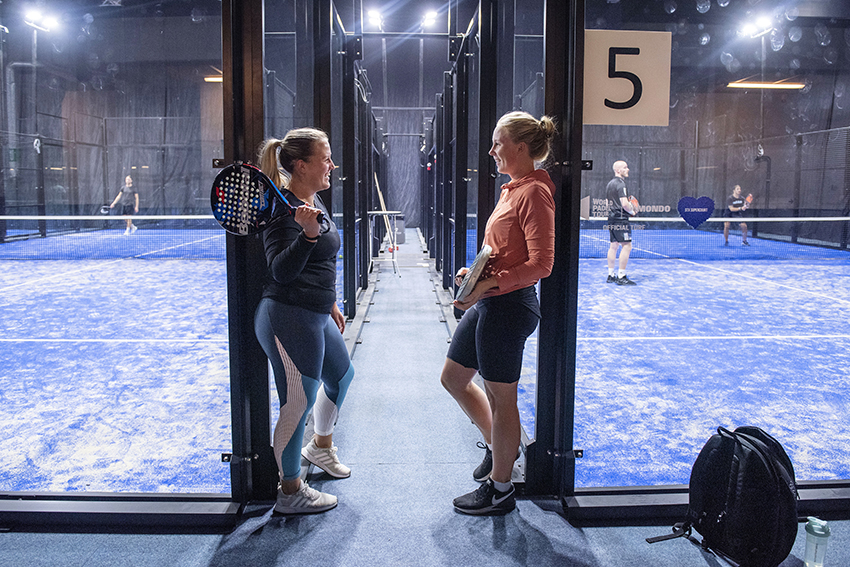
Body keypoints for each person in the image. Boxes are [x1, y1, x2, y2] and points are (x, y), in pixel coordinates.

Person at [440, 111, 556, 515]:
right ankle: (498, 449)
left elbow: (543, 264)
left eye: (497, 143)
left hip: (510, 308)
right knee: (454, 378)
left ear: (520, 148)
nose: (491, 150)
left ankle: (502, 488)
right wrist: (476, 274)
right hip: (492, 301)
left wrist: (491, 284)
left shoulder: (534, 193)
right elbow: (503, 251)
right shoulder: (513, 189)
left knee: (501, 399)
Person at [253, 128, 355, 515]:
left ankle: (320, 447)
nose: (332, 165)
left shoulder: (312, 200)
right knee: (298, 402)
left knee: (342, 378)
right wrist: (307, 236)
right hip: (286, 316)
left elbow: (321, 264)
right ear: (301, 165)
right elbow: (280, 271)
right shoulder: (282, 212)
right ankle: (291, 490)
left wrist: (329, 301)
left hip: (315, 313)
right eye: (326, 159)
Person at [606, 160, 638, 285]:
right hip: (620, 219)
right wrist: (632, 210)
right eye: (625, 167)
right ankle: (621, 276)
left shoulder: (610, 184)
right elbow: (624, 204)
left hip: (612, 218)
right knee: (627, 246)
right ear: (618, 170)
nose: (628, 169)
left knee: (613, 246)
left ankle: (610, 275)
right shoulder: (620, 184)